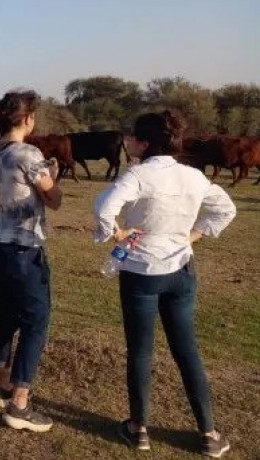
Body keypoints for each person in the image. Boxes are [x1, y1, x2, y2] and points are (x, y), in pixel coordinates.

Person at [94, 110, 236, 457]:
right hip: (181, 270)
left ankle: (138, 429)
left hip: (141, 272)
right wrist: (192, 236)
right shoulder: (192, 176)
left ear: (144, 143)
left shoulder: (138, 175)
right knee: (186, 350)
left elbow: (103, 209)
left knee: (141, 351)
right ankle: (209, 433)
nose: (128, 142)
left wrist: (118, 233)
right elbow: (226, 209)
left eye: (132, 138)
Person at [0, 89, 63, 432]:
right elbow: (53, 199)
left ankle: (3, 384)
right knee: (35, 321)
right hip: (24, 250)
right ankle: (20, 404)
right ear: (26, 119)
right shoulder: (29, 154)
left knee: (4, 312)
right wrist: (53, 176)